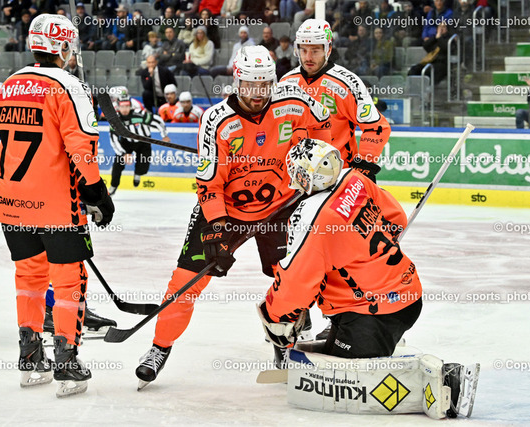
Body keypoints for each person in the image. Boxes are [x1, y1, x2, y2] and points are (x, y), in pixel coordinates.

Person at [134, 45, 331, 389]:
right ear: (237, 82)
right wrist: (216, 227)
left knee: (290, 279)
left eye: (264, 85)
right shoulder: (217, 120)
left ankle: (284, 342)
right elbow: (209, 183)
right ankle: (159, 346)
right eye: (251, 85)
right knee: (184, 282)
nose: (258, 93)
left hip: (280, 207)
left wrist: (315, 157)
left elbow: (324, 124)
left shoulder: (294, 102)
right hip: (226, 211)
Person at [257, 138, 478, 419]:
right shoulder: (354, 178)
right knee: (333, 354)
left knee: (340, 380)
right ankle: (377, 345)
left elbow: (296, 281)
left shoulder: (311, 216)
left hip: (373, 312)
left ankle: (444, 379)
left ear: (302, 177)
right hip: (405, 292)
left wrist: (276, 315)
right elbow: (396, 220)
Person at [0, 14, 115, 397]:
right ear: (62, 47)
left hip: (11, 201)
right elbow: (81, 147)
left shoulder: (10, 84)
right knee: (68, 280)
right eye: (70, 47)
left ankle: (30, 356)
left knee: (29, 277)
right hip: (55, 204)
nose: (72, 54)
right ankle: (67, 362)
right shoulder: (68, 85)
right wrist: (97, 193)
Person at [282, 19, 391, 183]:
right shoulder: (286, 83)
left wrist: (365, 164)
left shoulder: (347, 84)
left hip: (338, 177)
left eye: (315, 51)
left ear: (328, 49)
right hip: (296, 178)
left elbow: (377, 127)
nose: (308, 57)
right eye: (303, 50)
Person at [108, 94, 171, 192]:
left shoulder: (140, 114)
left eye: (127, 106)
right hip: (126, 142)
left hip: (143, 142)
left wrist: (164, 135)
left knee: (144, 165)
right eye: (122, 106)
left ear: (130, 106)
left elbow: (157, 120)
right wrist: (123, 153)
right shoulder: (115, 120)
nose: (124, 109)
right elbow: (114, 139)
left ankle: (138, 174)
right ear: (118, 106)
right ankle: (113, 186)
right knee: (117, 164)